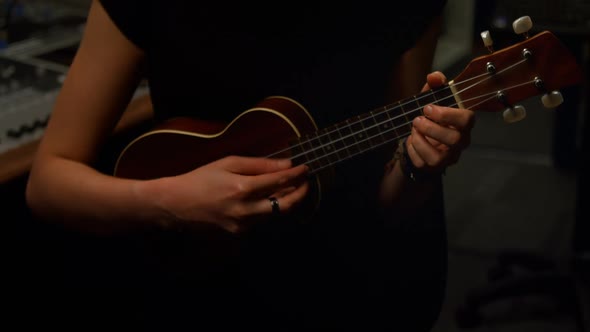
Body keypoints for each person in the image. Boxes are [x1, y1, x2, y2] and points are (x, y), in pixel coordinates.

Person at [25, 0, 475, 331]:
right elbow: (48, 181)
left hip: (350, 289)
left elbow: (390, 199)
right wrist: (172, 201)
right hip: (200, 288)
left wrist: (421, 165)